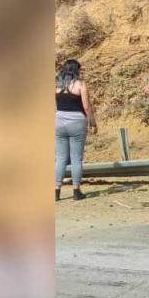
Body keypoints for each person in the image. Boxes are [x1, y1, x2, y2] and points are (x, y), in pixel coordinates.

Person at [55, 59, 97, 201]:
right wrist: (92, 123)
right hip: (77, 122)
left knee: (60, 158)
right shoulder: (80, 84)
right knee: (76, 158)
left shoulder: (57, 85)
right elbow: (86, 106)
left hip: (59, 120)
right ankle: (76, 191)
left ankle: (56, 191)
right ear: (76, 70)